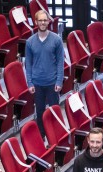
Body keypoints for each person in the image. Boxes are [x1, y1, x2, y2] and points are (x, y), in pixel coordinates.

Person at [25, 9, 64, 138]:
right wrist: (29, 82)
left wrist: (59, 81)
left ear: (48, 21)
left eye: (45, 20)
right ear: (36, 22)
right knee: (40, 112)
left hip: (52, 83)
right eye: (40, 20)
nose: (42, 22)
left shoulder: (56, 40)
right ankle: (42, 136)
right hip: (37, 83)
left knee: (54, 112)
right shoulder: (30, 42)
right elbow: (28, 64)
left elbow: (60, 62)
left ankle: (56, 136)